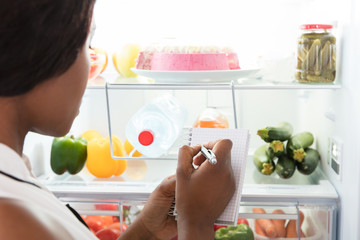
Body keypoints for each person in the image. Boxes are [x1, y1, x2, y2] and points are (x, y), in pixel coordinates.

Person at [0, 1, 236, 240]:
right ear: (38, 52)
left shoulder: (14, 177)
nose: (90, 64)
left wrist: (146, 229)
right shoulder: (10, 218)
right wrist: (197, 221)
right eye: (86, 45)